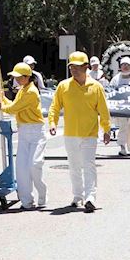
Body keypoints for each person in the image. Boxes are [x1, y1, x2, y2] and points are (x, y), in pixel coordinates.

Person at [47, 51, 112, 213]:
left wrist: (106, 129)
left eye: (77, 67)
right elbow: (55, 106)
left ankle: (90, 197)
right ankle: (77, 196)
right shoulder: (64, 86)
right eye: (71, 67)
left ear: (86, 67)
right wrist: (52, 123)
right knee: (74, 167)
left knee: (89, 165)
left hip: (89, 134)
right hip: (70, 134)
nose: (73, 70)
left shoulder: (96, 87)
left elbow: (103, 110)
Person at [0, 62, 47, 209]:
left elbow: (14, 108)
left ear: (27, 77)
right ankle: (27, 201)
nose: (17, 80)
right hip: (24, 131)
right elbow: (14, 105)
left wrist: (2, 106)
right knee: (21, 168)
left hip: (36, 131)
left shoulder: (31, 91)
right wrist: (2, 97)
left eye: (20, 77)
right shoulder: (22, 90)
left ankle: (42, 192)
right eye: (16, 77)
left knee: (34, 165)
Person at [111, 56, 130, 157]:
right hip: (121, 108)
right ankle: (122, 147)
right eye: (123, 65)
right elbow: (111, 92)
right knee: (123, 127)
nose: (125, 67)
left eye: (127, 65)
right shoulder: (116, 79)